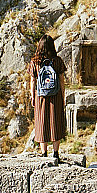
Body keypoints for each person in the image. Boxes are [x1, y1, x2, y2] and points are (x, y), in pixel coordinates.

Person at [28, 34, 66, 162]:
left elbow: (32, 81)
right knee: (56, 122)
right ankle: (55, 153)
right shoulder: (57, 61)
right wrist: (63, 96)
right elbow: (61, 81)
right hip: (56, 95)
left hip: (41, 96)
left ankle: (44, 153)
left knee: (42, 122)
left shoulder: (35, 62)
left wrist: (33, 96)